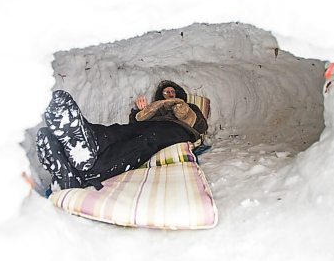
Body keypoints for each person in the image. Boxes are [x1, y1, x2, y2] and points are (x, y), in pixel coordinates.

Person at [36, 80, 208, 191]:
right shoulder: (155, 108)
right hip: (149, 124)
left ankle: (84, 174)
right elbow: (135, 124)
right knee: (121, 130)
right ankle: (90, 140)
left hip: (177, 130)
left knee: (145, 141)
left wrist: (185, 114)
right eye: (166, 92)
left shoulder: (191, 106)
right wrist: (139, 111)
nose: (170, 94)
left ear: (179, 94)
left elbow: (201, 126)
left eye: (173, 92)